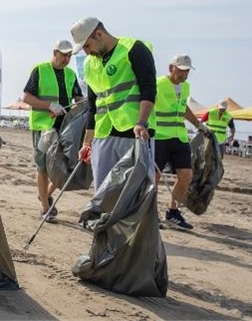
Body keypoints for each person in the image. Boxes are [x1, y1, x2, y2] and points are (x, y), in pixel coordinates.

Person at [71, 17, 157, 191]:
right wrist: (87, 143)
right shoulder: (90, 64)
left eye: (87, 46)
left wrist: (142, 122)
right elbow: (93, 106)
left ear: (99, 34)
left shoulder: (134, 49)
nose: (87, 52)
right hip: (104, 134)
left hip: (134, 132)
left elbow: (149, 88)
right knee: (103, 192)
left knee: (136, 192)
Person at [23, 39, 83, 223]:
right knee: (43, 167)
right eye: (63, 54)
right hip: (43, 127)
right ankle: (45, 209)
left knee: (63, 167)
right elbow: (27, 97)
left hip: (64, 127)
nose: (66, 58)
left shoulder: (71, 74)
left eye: (69, 55)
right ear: (55, 52)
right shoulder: (40, 70)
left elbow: (78, 98)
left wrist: (83, 105)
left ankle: (45, 195)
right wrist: (49, 105)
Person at [154, 54, 209, 230]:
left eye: (187, 71)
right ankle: (149, 213)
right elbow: (146, 103)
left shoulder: (186, 87)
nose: (184, 74)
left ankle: (173, 212)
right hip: (160, 136)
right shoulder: (158, 84)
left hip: (180, 137)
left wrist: (198, 124)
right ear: (171, 68)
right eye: (181, 70)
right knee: (154, 176)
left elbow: (183, 107)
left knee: (186, 174)